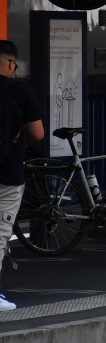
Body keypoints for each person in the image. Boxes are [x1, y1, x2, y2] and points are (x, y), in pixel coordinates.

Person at [0, 40, 44, 310]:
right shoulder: (19, 91)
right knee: (1, 232)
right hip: (8, 174)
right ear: (10, 63)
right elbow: (38, 133)